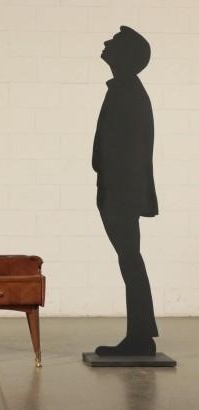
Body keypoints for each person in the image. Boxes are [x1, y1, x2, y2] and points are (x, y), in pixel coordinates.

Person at [92, 26, 158, 356]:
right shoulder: (125, 90)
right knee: (129, 258)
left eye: (114, 43)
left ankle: (141, 337)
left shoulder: (128, 92)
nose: (106, 44)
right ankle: (140, 334)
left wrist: (116, 191)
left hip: (121, 192)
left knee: (130, 258)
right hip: (118, 190)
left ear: (127, 56)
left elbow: (131, 151)